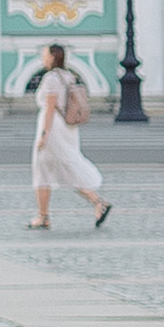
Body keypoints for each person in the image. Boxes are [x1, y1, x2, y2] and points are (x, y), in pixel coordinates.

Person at [30, 41, 109, 233]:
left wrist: (44, 135)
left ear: (53, 57)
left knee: (43, 168)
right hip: (67, 128)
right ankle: (96, 203)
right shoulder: (69, 76)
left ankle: (44, 216)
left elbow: (50, 108)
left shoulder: (50, 78)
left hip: (53, 128)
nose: (43, 58)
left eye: (45, 54)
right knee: (65, 165)